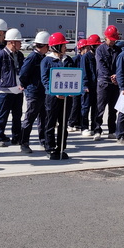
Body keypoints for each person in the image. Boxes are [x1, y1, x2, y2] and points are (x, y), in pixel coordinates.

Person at [41, 32, 75, 160]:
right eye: (63, 45)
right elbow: (45, 79)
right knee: (50, 122)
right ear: (56, 47)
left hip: (67, 97)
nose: (65, 47)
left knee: (63, 123)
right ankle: (50, 148)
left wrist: (73, 90)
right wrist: (54, 92)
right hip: (52, 97)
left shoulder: (68, 60)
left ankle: (61, 148)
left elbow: (74, 76)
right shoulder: (47, 61)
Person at [0, 28, 25, 147]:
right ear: (12, 42)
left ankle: (16, 137)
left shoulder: (20, 55)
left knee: (17, 116)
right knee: (2, 115)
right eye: (19, 42)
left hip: (18, 90)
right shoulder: (1, 55)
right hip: (4, 91)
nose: (21, 44)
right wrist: (2, 82)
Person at [17, 31, 50, 154]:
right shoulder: (33, 57)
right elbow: (23, 73)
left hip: (42, 92)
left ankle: (43, 141)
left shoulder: (42, 57)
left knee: (43, 118)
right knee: (30, 118)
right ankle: (24, 142)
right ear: (44, 45)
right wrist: (25, 85)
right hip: (34, 92)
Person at [94, 25, 122, 141]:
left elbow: (120, 64)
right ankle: (97, 129)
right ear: (106, 37)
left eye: (114, 40)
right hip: (104, 82)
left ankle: (112, 130)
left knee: (113, 109)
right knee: (100, 108)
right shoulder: (100, 50)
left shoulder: (118, 50)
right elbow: (101, 66)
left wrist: (117, 75)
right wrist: (110, 76)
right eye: (111, 39)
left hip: (115, 83)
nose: (113, 41)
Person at [79, 35, 101, 136]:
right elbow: (83, 72)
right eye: (96, 46)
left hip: (97, 86)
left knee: (96, 108)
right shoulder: (86, 57)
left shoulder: (99, 56)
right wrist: (85, 85)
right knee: (85, 107)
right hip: (88, 86)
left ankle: (94, 127)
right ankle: (84, 127)